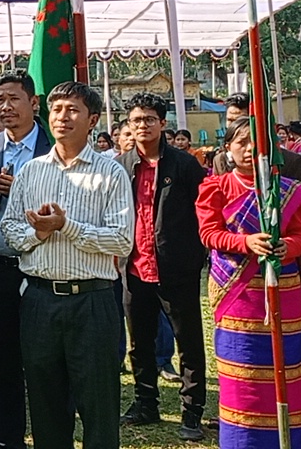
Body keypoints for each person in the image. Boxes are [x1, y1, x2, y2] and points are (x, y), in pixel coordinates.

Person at [0, 82, 133, 449]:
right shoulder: (30, 171)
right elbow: (10, 228)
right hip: (40, 301)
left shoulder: (111, 173)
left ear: (92, 120)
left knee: (99, 406)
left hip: (92, 302)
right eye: (57, 109)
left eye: (72, 110)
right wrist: (39, 235)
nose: (62, 117)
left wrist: (66, 226)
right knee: (45, 406)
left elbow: (122, 240)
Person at [196, 118, 301, 449]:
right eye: (242, 143)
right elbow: (209, 233)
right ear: (228, 148)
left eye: (260, 143)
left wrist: (286, 247)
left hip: (283, 288)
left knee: (287, 368)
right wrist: (245, 242)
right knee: (243, 373)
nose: (251, 149)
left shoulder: (290, 189)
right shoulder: (216, 187)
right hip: (237, 294)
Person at [113, 94, 208, 440]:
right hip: (134, 267)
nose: (142, 125)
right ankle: (146, 403)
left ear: (162, 123)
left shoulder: (184, 165)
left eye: (150, 119)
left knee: (189, 342)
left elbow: (204, 213)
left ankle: (192, 410)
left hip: (176, 268)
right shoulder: (120, 165)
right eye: (136, 120)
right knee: (139, 342)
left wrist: (195, 257)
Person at [0, 72, 51, 449]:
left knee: (46, 365)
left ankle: (51, 436)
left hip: (43, 271)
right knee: (6, 365)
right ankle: (9, 440)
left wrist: (22, 192)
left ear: (33, 103)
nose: (5, 107)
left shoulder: (54, 145)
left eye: (14, 99)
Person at [215, 93, 301, 185]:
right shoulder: (220, 161)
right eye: (230, 120)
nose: (234, 126)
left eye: (241, 120)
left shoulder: (291, 162)